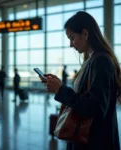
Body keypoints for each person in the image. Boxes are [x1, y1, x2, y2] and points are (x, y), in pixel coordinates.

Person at [40, 11, 121, 150]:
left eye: (72, 38)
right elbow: (86, 96)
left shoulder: (101, 61)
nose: (71, 45)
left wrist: (60, 90)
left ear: (85, 34)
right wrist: (60, 85)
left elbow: (94, 107)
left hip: (94, 142)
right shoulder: (92, 60)